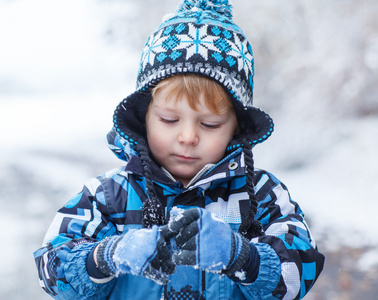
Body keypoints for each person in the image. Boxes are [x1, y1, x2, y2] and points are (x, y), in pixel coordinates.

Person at [33, 0, 325, 299]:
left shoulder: (260, 195)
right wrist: (106, 255)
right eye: (169, 119)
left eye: (209, 124)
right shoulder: (109, 196)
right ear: (144, 116)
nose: (188, 137)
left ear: (235, 129)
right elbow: (52, 271)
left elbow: (300, 273)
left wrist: (242, 256)